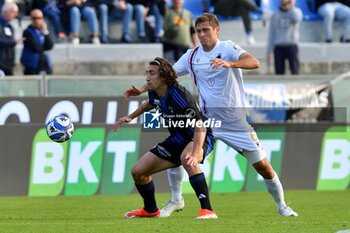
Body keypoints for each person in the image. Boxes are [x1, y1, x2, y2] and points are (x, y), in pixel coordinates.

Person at [124, 13, 299, 218]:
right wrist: (143, 88)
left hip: (235, 122)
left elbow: (254, 62)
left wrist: (229, 64)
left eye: (206, 30)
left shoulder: (227, 49)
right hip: (206, 121)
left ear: (217, 30)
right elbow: (165, 74)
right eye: (198, 31)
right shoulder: (192, 56)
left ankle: (282, 205)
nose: (202, 35)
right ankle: (177, 200)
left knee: (264, 167)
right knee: (184, 153)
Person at [114, 57, 217, 219]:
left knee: (187, 158)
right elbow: (149, 103)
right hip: (178, 138)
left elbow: (201, 125)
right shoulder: (154, 92)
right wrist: (130, 116)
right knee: (138, 172)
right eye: (147, 73)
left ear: (163, 76)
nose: (147, 77)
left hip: (200, 136)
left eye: (152, 73)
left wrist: (197, 151)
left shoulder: (179, 96)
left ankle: (208, 210)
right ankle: (150, 210)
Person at [266, 0, 302, 75]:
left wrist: (291, 7)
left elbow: (297, 18)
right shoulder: (275, 15)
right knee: (279, 73)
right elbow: (272, 33)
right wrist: (269, 50)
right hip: (279, 47)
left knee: (295, 72)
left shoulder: (296, 12)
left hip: (292, 45)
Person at [20, 9, 54, 75]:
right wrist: (45, 47)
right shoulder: (27, 32)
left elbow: (50, 45)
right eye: (34, 18)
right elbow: (35, 47)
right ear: (31, 19)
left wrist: (45, 31)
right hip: (32, 66)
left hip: (45, 65)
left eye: (39, 18)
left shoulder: (43, 32)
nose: (37, 20)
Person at [0, 2, 22, 75]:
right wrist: (14, 43)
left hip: (9, 64)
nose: (15, 15)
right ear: (6, 11)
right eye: (13, 12)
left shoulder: (10, 26)